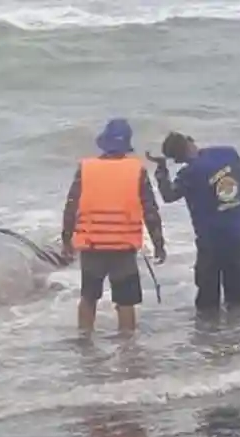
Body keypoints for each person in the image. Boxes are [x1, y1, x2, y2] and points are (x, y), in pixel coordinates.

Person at [61, 118, 166, 334]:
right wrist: (158, 244)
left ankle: (85, 342)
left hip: (92, 246)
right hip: (123, 248)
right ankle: (128, 349)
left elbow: (71, 206)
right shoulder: (137, 170)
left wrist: (66, 240)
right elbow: (150, 211)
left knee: (88, 297)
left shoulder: (86, 169)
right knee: (125, 302)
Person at [148, 131, 240, 312]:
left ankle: (208, 336)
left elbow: (168, 195)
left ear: (178, 158)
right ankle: (239, 334)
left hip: (211, 239)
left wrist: (161, 169)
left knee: (207, 299)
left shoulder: (190, 173)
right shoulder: (228, 153)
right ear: (190, 140)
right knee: (237, 294)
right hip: (238, 232)